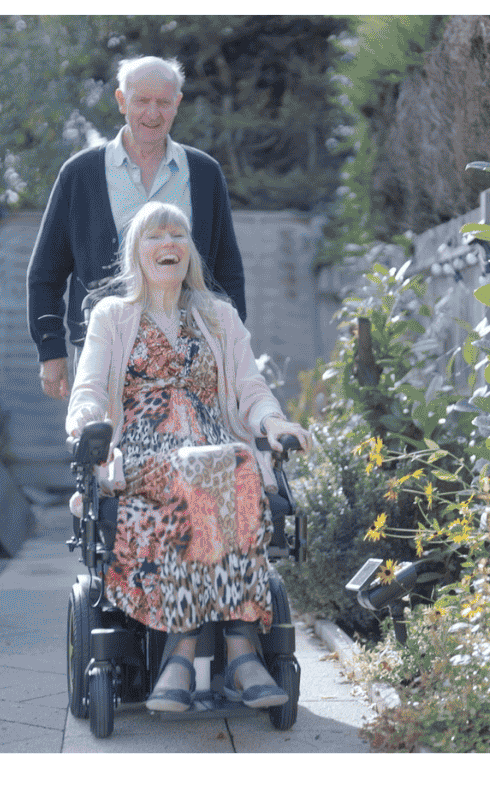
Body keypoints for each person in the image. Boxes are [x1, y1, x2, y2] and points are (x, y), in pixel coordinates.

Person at [67, 200, 314, 711]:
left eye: (178, 236)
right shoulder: (112, 316)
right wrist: (88, 426)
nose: (169, 245)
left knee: (231, 463)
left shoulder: (218, 316)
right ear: (136, 253)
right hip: (142, 454)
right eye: (155, 236)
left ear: (190, 254)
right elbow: (89, 388)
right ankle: (227, 654)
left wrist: (274, 422)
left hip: (216, 456)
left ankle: (200, 655)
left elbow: (250, 387)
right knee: (210, 467)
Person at [30, 56, 246, 401]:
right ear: (121, 101)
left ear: (177, 104)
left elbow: (228, 271)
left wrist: (234, 350)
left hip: (191, 351)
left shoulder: (205, 174)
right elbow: (45, 273)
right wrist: (50, 348)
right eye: (141, 101)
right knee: (102, 446)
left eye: (163, 102)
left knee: (190, 442)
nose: (152, 114)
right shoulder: (80, 175)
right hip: (103, 352)